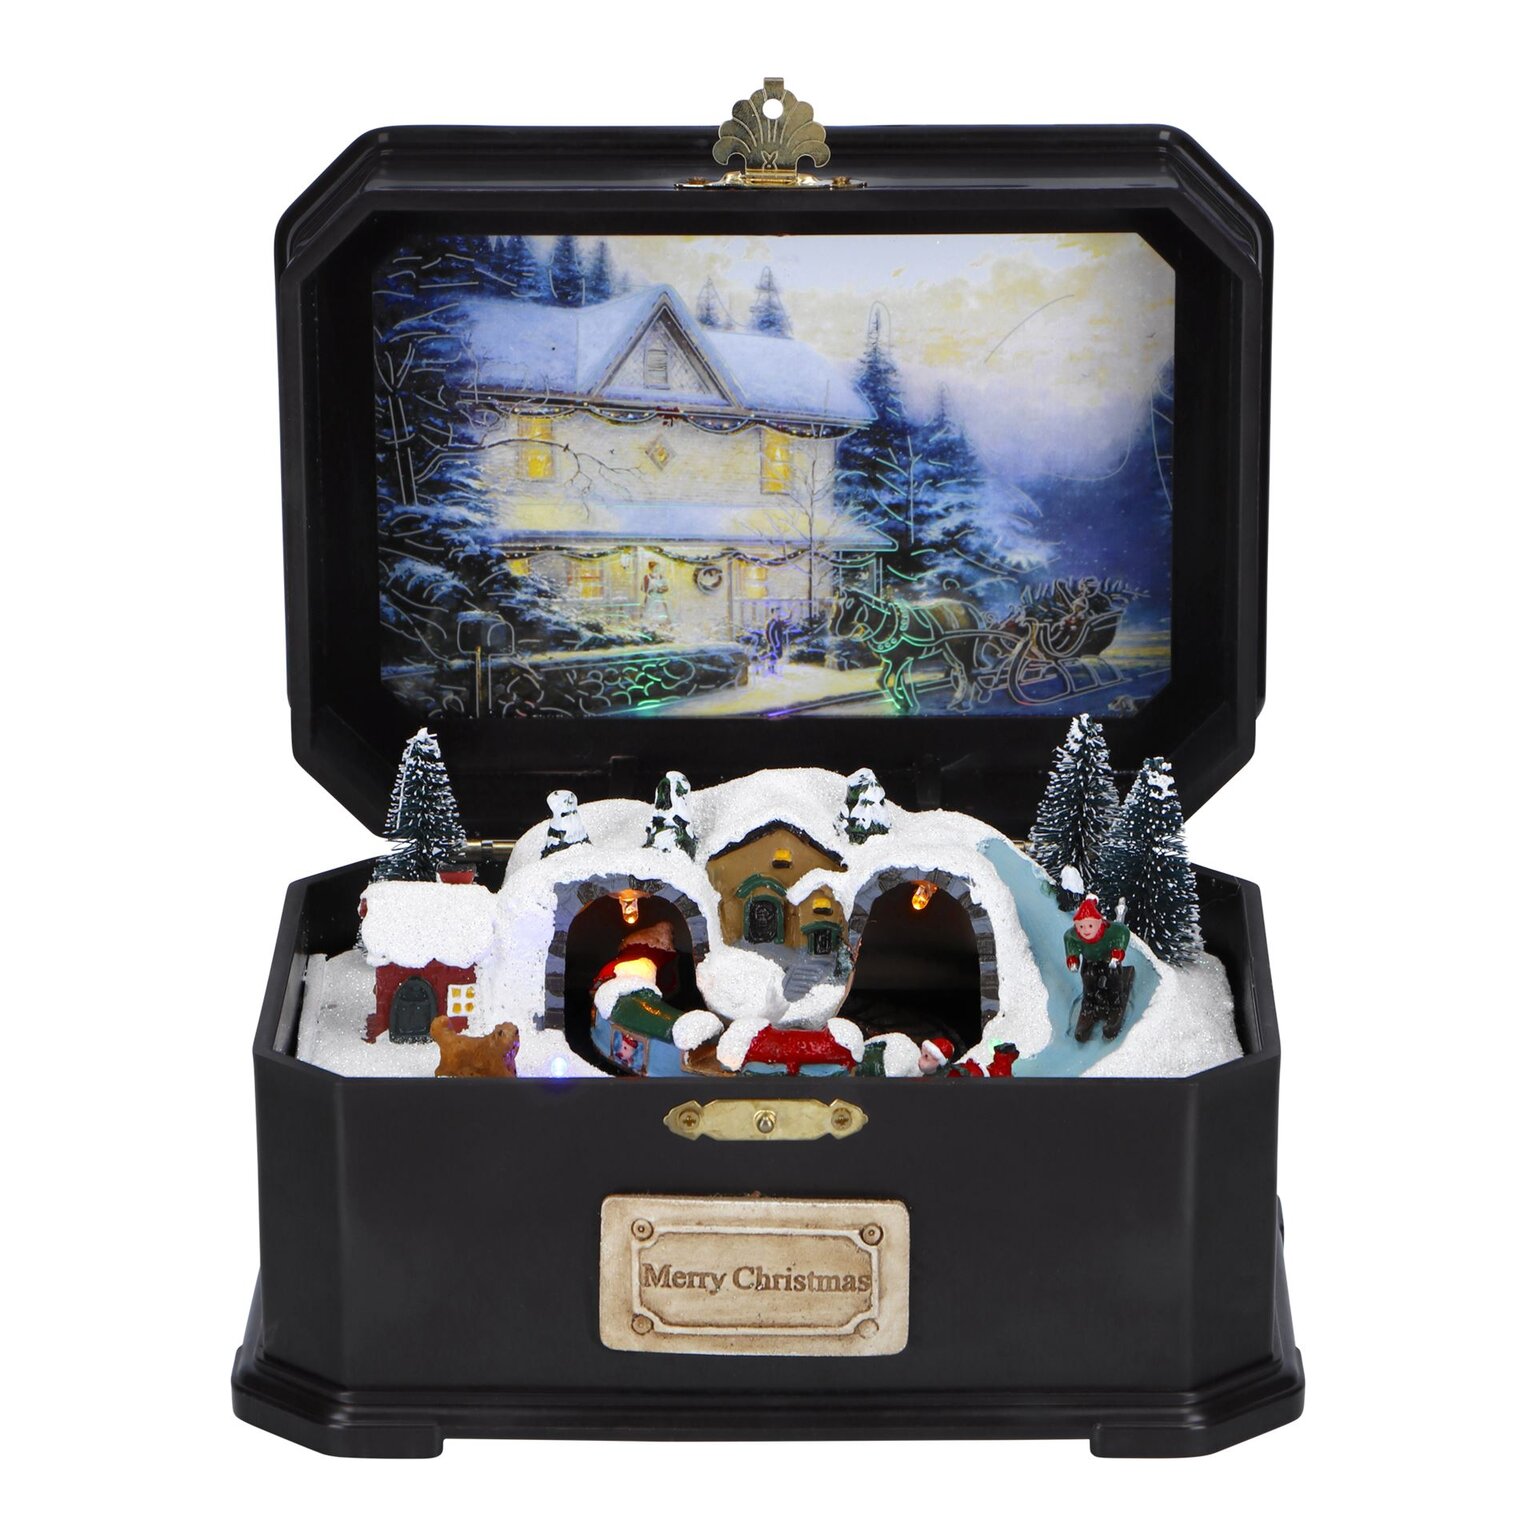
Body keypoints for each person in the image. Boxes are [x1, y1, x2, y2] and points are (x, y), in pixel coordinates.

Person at [1063, 894, 1131, 1042]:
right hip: (1090, 960)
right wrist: (1073, 957)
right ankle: (1089, 1005)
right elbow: (1069, 940)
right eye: (1081, 926)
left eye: (1090, 926)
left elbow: (1123, 932)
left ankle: (1115, 1004)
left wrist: (1118, 951)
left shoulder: (1110, 930)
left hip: (1108, 959)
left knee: (1113, 977)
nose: (1086, 930)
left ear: (1099, 922)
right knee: (1088, 978)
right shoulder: (1075, 935)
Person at [763, 608, 790, 675]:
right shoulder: (772, 623)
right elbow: (769, 634)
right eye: (776, 612)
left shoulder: (778, 622)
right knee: (773, 655)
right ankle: (770, 670)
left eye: (778, 612)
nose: (778, 614)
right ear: (773, 613)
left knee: (777, 655)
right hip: (774, 643)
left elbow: (787, 621)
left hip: (777, 643)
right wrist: (773, 643)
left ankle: (771, 669)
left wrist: (791, 612)